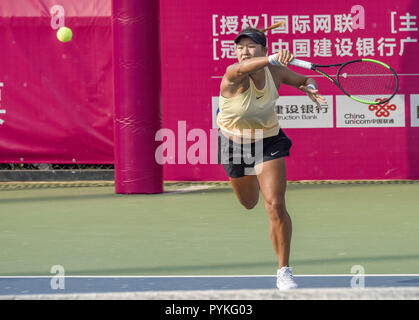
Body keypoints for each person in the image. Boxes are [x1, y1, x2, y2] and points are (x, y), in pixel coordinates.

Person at [217, 28, 326, 290]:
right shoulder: (233, 75)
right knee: (249, 202)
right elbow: (244, 67)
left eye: (252, 47)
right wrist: (273, 58)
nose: (244, 51)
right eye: (240, 47)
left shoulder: (275, 72)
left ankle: (284, 271)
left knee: (275, 204)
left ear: (263, 50)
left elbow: (303, 80)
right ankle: (253, 176)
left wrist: (309, 87)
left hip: (268, 139)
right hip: (234, 144)